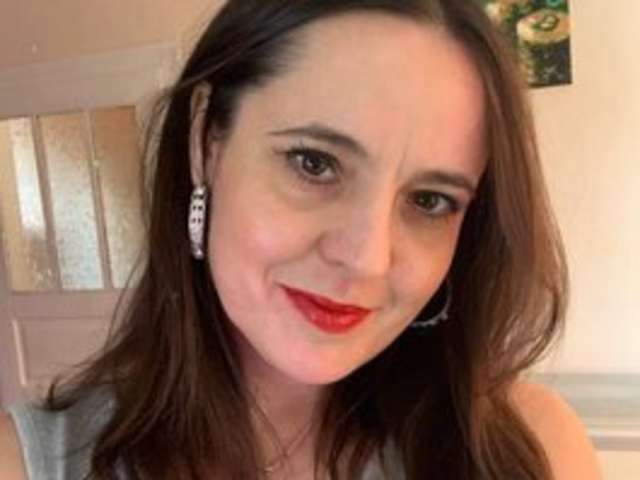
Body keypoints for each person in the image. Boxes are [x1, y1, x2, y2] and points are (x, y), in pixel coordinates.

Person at [0, 0, 602, 479]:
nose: (367, 259)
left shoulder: (531, 451)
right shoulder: (31, 463)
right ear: (206, 142)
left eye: (429, 201)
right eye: (314, 163)